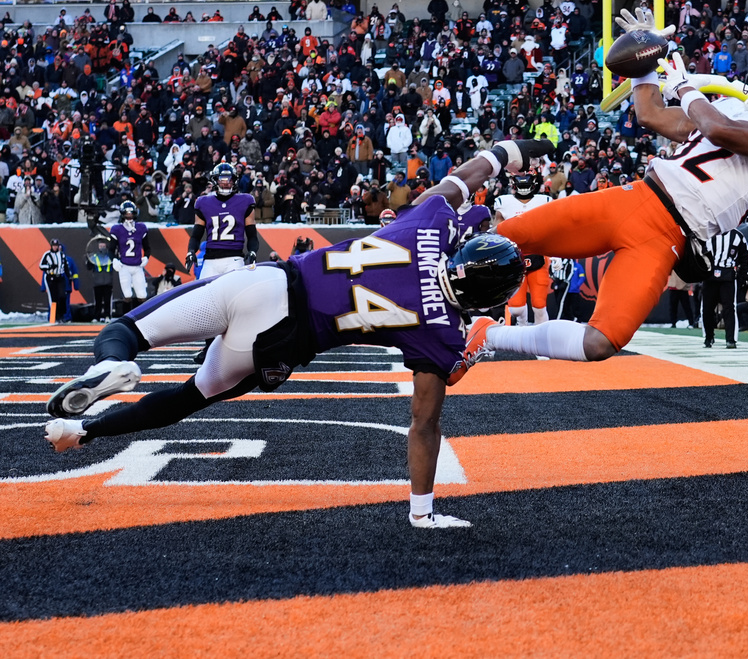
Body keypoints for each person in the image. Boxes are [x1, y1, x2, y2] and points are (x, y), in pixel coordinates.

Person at [43, 139, 552, 528]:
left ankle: (113, 367)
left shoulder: (427, 223)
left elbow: (468, 174)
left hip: (265, 283)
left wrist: (514, 150)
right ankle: (86, 432)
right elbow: (423, 425)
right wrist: (422, 510)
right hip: (279, 343)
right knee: (188, 398)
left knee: (124, 330)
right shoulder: (439, 333)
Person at [463, 9, 748, 364]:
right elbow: (650, 114)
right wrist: (645, 61)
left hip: (670, 236)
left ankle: (489, 335)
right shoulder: (733, 107)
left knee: (601, 341)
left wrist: (685, 86)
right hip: (638, 199)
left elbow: (721, 132)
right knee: (504, 239)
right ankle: (423, 286)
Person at [186, 163, 259, 364]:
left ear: (234, 181)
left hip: (234, 258)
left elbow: (252, 234)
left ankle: (239, 346)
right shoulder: (203, 203)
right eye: (222, 179)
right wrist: (191, 251)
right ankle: (210, 348)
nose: (226, 183)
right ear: (215, 181)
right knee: (209, 306)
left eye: (229, 179)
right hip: (210, 259)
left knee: (234, 305)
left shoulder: (245, 201)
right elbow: (197, 233)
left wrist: (252, 251)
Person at [493, 171, 554, 326]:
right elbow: (496, 230)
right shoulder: (504, 202)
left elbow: (555, 228)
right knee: (516, 309)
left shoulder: (545, 201)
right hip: (514, 257)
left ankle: (541, 340)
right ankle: (523, 325)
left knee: (539, 305)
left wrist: (556, 255)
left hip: (538, 255)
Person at [110, 202, 151, 310]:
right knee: (127, 295)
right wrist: (114, 259)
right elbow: (111, 249)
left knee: (142, 295)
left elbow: (147, 247)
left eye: (131, 213)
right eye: (127, 213)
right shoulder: (117, 229)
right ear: (122, 213)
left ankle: (142, 319)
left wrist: (146, 257)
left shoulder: (141, 228)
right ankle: (127, 320)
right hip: (124, 266)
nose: (129, 215)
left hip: (137, 266)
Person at [40, 238, 72, 323]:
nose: (55, 247)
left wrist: (69, 276)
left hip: (60, 277)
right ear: (51, 246)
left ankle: (61, 315)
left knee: (62, 296)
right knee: (54, 298)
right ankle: (54, 317)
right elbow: (41, 266)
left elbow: (66, 266)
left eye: (56, 246)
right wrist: (50, 267)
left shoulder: (62, 255)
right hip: (51, 278)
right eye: (53, 246)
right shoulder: (47, 254)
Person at [86, 238, 115, 322]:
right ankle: (96, 317)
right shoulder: (94, 257)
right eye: (100, 246)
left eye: (103, 245)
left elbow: (116, 266)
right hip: (97, 282)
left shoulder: (110, 256)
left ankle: (107, 316)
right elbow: (89, 267)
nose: (102, 247)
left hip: (108, 282)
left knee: (107, 301)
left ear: (106, 246)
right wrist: (87, 260)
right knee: (98, 301)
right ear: (98, 247)